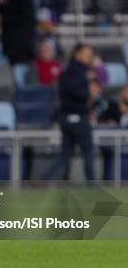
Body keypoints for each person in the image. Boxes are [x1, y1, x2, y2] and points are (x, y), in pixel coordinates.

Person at [55, 44, 95, 181]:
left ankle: (48, 180)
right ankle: (92, 187)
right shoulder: (79, 71)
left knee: (65, 155)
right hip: (79, 118)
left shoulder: (66, 69)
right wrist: (89, 93)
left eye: (91, 53)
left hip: (65, 117)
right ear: (77, 54)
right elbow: (80, 93)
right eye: (86, 53)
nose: (89, 57)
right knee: (88, 153)